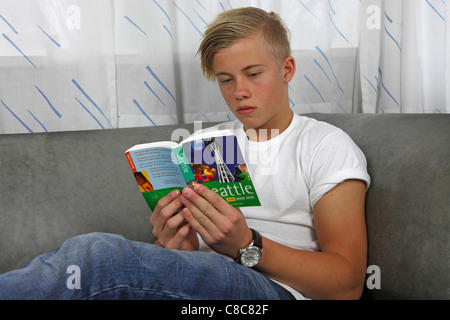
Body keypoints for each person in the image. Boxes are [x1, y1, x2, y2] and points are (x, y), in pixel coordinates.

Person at [0, 7, 370, 300]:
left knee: (95, 257)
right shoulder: (206, 145)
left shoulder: (325, 145)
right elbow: (188, 269)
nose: (239, 91)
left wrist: (246, 245)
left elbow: (347, 284)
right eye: (226, 79)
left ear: (286, 68)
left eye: (253, 74)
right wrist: (173, 245)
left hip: (272, 290)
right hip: (202, 283)